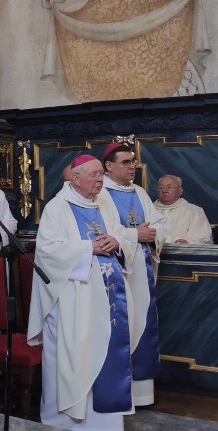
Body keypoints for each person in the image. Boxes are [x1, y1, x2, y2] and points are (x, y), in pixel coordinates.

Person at [28, 154, 138, 430]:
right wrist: (89, 248)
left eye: (102, 174)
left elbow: (121, 235)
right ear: (75, 178)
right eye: (94, 175)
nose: (100, 179)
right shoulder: (57, 208)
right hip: (72, 299)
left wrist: (116, 240)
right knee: (73, 356)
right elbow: (47, 251)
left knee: (106, 350)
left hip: (109, 297)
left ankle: (105, 420)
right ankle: (66, 417)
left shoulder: (105, 204)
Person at [99, 143, 166, 407]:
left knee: (144, 324)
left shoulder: (139, 192)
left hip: (142, 271)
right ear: (109, 166)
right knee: (120, 326)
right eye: (126, 162)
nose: (132, 167)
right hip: (115, 273)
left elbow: (159, 222)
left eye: (133, 162)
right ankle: (118, 391)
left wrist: (154, 234)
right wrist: (134, 235)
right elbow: (100, 232)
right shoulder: (100, 193)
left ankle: (141, 395)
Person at [153, 175, 213, 244]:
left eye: (169, 187)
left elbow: (204, 237)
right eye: (161, 187)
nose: (164, 190)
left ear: (180, 191)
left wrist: (188, 243)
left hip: (183, 253)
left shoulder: (194, 211)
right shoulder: (147, 210)